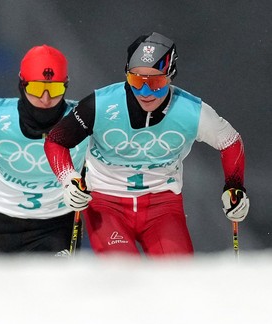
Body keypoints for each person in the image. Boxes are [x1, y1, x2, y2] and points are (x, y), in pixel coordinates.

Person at [44, 32, 249, 257]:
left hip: (162, 206)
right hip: (106, 203)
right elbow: (56, 140)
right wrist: (68, 179)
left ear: (171, 75)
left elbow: (230, 142)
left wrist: (234, 186)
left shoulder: (191, 111)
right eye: (136, 81)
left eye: (156, 83)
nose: (145, 92)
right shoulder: (101, 104)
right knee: (122, 274)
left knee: (179, 279)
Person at [0, 45, 88, 255]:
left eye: (54, 89)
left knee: (53, 286)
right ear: (22, 84)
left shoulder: (82, 117)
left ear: (66, 85)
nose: (45, 99)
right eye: (36, 89)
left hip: (56, 226)